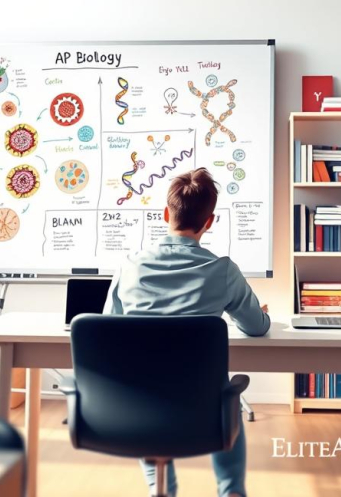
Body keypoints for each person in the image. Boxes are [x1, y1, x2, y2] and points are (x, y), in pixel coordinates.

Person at [106, 167, 270, 497]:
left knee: (147, 391)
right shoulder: (223, 270)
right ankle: (232, 491)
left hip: (139, 402)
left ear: (166, 214)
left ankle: (159, 489)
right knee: (230, 400)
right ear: (209, 222)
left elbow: (110, 329)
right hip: (204, 405)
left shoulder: (129, 266)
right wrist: (256, 313)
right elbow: (256, 327)